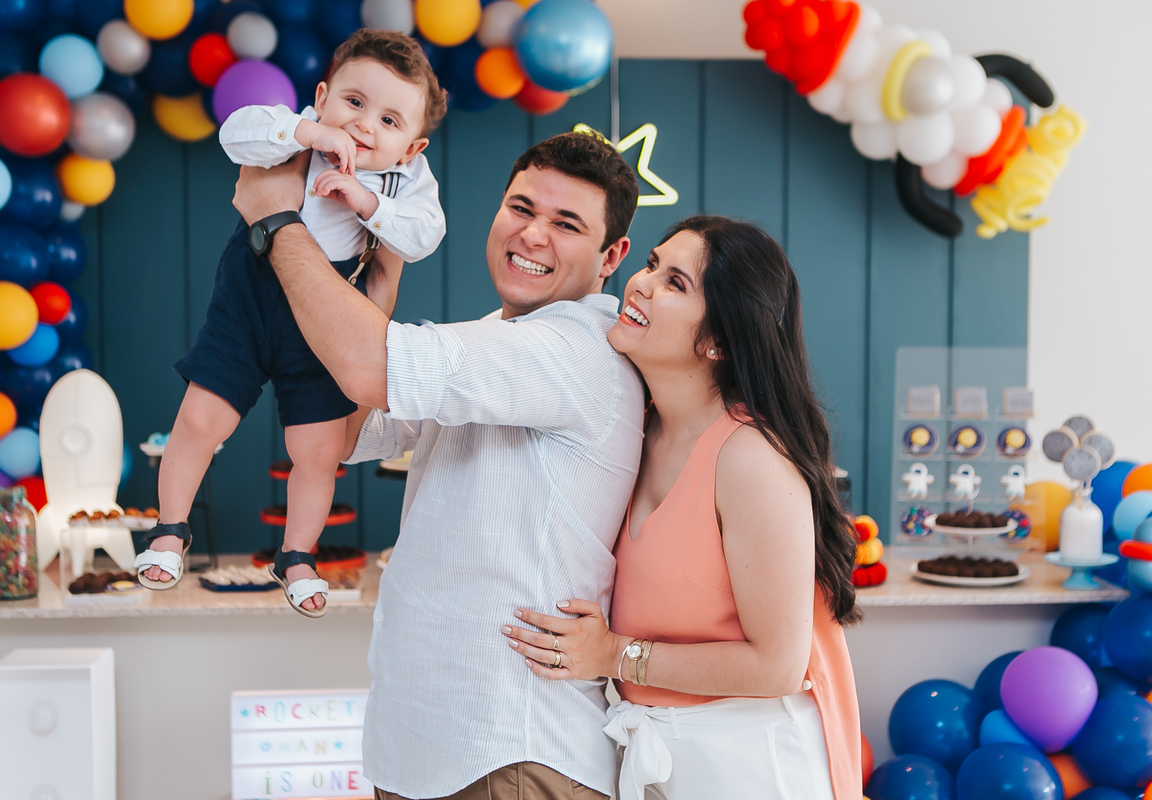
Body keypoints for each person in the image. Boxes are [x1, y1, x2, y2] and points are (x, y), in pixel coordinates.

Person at [230, 132, 645, 800]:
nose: (533, 234)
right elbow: (345, 433)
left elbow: (367, 366)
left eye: (567, 224)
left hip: (509, 753)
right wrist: (382, 286)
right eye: (521, 208)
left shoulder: (573, 349)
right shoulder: (497, 336)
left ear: (611, 257)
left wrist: (278, 223)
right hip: (426, 747)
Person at [502, 216, 863, 800]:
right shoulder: (634, 429)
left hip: (753, 761)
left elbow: (777, 665)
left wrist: (613, 654)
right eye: (651, 265)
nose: (641, 284)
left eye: (675, 283)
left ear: (719, 339)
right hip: (657, 754)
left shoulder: (750, 458)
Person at [135, 30, 448, 619]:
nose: (364, 126)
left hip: (324, 317)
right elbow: (235, 132)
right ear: (323, 96)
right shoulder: (295, 128)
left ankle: (297, 555)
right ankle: (170, 528)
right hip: (250, 298)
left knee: (319, 450)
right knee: (200, 418)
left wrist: (367, 203)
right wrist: (308, 133)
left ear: (411, 147)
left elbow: (425, 235)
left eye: (388, 121)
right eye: (353, 102)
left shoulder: (405, 180)